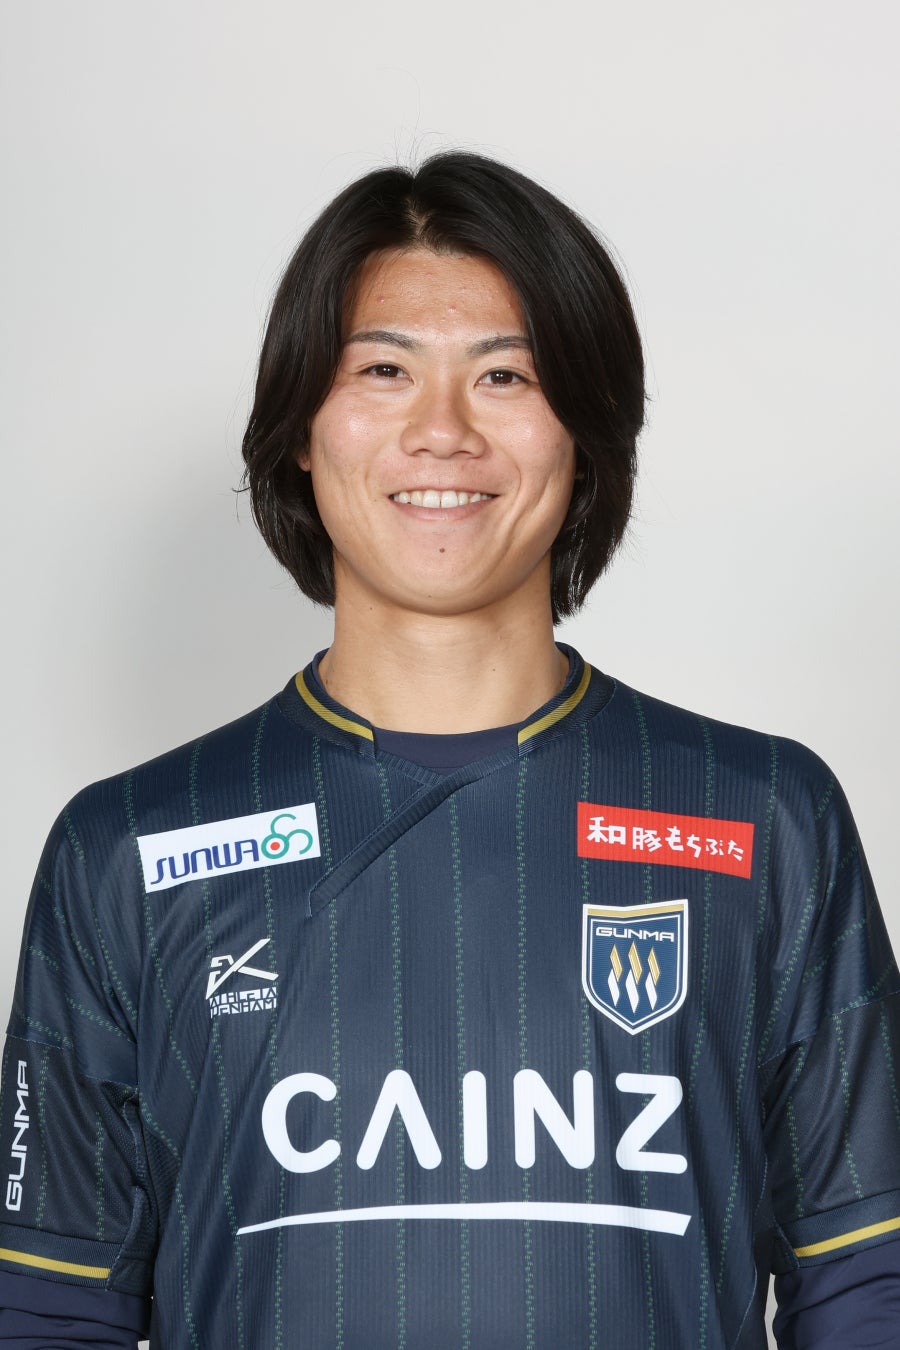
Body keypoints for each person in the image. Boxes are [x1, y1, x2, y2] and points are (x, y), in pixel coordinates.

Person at [0, 152, 898, 1350]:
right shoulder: (128, 851)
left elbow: (868, 1285)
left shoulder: (764, 819)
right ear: (300, 429)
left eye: (505, 375)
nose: (442, 432)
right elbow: (51, 1309)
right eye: (384, 370)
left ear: (585, 431)